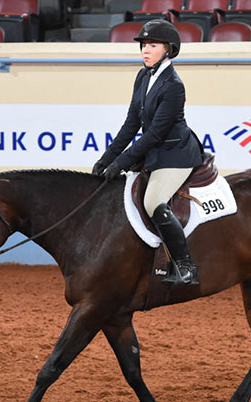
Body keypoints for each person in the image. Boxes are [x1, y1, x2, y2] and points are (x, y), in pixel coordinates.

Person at [92, 19, 203, 286]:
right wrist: (107, 158)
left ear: (169, 49)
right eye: (143, 44)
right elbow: (132, 123)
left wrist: (121, 162)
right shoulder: (143, 76)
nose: (145, 50)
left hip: (175, 154)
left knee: (153, 202)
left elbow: (154, 134)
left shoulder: (174, 85)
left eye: (152, 45)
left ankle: (186, 266)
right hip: (154, 152)